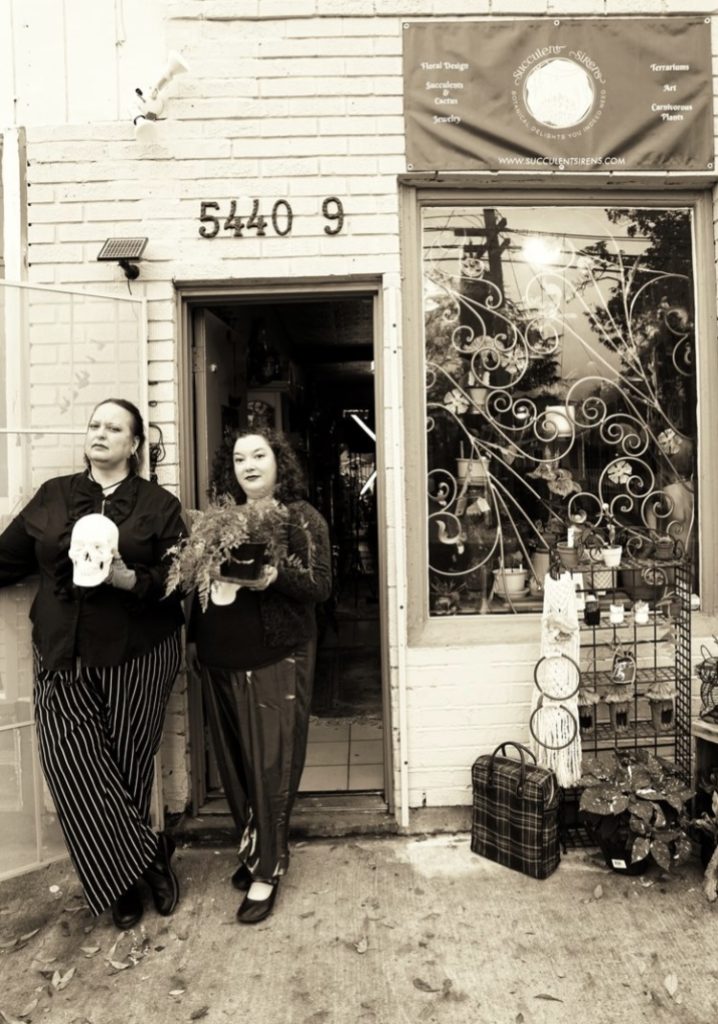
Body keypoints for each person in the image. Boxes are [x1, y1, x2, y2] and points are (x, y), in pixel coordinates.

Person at [0, 399, 186, 930]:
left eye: (115, 428)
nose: (101, 433)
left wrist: (128, 577)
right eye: (95, 425)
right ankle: (146, 856)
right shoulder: (54, 496)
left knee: (124, 769)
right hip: (61, 652)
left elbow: (181, 581)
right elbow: (7, 558)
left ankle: (119, 879)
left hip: (139, 653)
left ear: (134, 446)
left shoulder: (158, 505)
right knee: (73, 769)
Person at [187, 428, 331, 924]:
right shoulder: (219, 519)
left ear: (279, 462)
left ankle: (268, 870)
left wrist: (275, 577)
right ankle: (254, 850)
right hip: (218, 657)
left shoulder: (301, 517)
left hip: (274, 656)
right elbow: (199, 583)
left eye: (259, 455)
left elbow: (320, 585)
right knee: (235, 768)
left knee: (271, 766)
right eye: (238, 458)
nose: (248, 465)